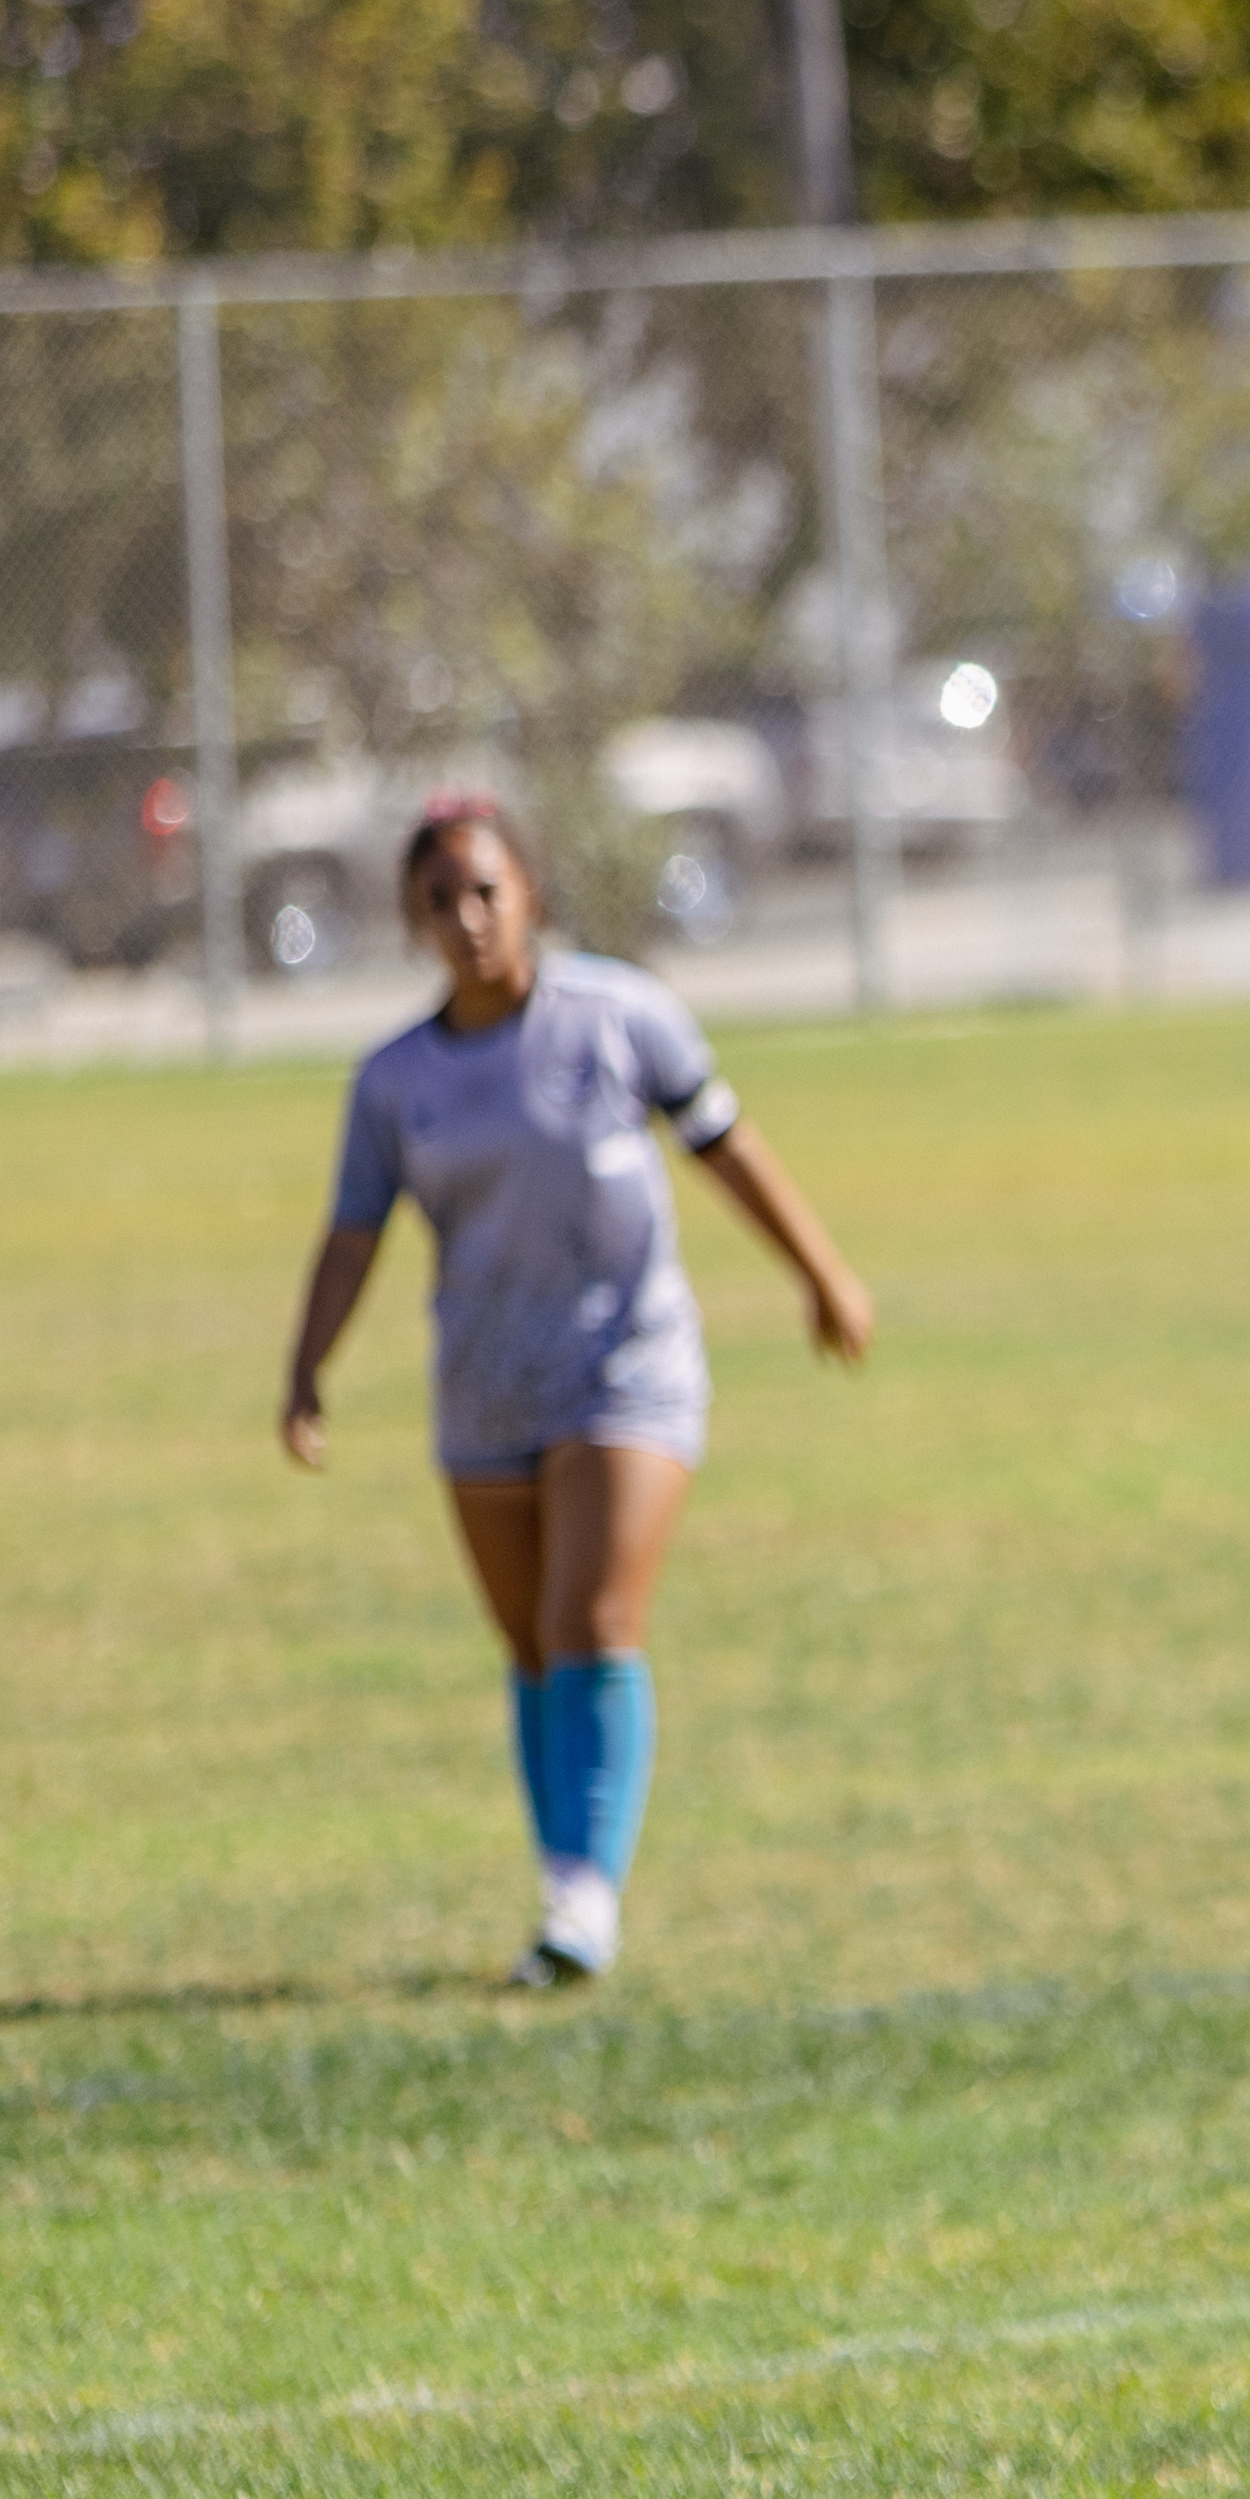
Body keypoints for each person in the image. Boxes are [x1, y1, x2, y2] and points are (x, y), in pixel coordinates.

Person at [278, 798, 873, 1985]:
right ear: (413, 923)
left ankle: (587, 1901)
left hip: (628, 1365)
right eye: (440, 900)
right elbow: (353, 1232)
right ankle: (565, 1882)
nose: (469, 918)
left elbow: (729, 1146)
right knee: (531, 1645)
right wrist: (306, 1368)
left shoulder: (622, 1018)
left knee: (590, 1621)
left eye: (487, 890)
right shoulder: (397, 1082)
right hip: (485, 1385)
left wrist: (823, 1273)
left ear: (531, 894)